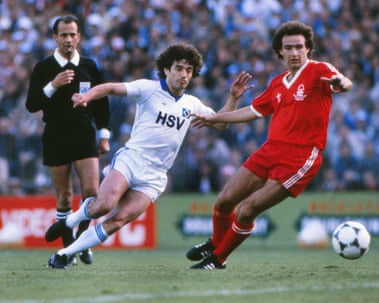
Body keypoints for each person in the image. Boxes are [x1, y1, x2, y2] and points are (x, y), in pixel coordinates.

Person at [44, 43, 253, 269]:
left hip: (155, 175)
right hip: (132, 159)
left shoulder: (192, 103)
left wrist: (233, 98)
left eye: (189, 70)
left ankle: (64, 253)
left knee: (118, 220)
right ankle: (70, 221)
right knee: (103, 206)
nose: (184, 75)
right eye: (179, 68)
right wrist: (87, 96)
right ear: (166, 69)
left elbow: (220, 124)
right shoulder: (148, 88)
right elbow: (110, 88)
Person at [187, 21, 353, 270]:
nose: (295, 52)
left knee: (248, 209)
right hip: (270, 149)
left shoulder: (319, 70)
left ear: (308, 49)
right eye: (289, 48)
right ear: (280, 52)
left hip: (301, 155)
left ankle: (218, 259)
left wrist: (341, 83)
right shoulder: (277, 83)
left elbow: (344, 81)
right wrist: (215, 117)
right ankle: (215, 244)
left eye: (300, 47)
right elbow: (252, 112)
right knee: (224, 200)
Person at [25, 15, 110, 266]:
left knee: (92, 193)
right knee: (64, 196)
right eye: (64, 35)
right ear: (55, 37)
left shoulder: (89, 66)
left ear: (79, 37)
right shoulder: (44, 68)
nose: (69, 39)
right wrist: (52, 85)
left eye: (73, 34)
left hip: (84, 134)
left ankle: (82, 243)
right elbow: (31, 105)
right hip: (56, 135)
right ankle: (67, 249)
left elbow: (102, 102)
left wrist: (104, 134)